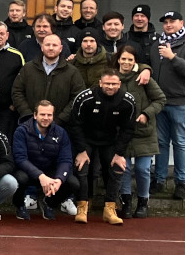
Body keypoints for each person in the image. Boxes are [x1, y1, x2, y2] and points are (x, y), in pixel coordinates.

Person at [65, 69, 135, 225]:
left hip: (110, 141)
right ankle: (82, 206)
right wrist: (82, 150)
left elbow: (128, 129)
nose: (110, 87)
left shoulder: (127, 100)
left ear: (119, 84)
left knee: (118, 167)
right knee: (82, 167)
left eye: (114, 84)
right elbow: (74, 125)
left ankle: (110, 209)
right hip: (86, 139)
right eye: (107, 83)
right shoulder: (85, 98)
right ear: (100, 83)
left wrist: (119, 153)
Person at [151, 10, 185, 200]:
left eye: (172, 21)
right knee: (161, 143)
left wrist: (172, 57)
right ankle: (159, 179)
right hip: (159, 102)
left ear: (182, 22)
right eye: (165, 22)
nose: (168, 25)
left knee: (179, 142)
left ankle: (181, 182)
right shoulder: (157, 43)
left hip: (180, 102)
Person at [115, 45, 166, 219]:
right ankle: (126, 202)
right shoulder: (113, 78)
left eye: (130, 59)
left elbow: (160, 99)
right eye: (123, 59)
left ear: (135, 61)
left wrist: (146, 113)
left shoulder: (143, 78)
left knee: (143, 169)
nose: (126, 62)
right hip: (121, 133)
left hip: (143, 131)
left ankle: (143, 202)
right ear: (118, 59)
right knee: (124, 168)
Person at [12, 100, 81, 220]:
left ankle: (49, 203)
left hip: (50, 171)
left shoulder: (61, 133)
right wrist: (40, 176)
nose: (46, 118)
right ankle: (19, 206)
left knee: (73, 183)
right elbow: (20, 159)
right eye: (42, 114)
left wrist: (59, 179)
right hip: (28, 171)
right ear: (35, 115)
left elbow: (66, 160)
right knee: (19, 179)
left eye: (49, 115)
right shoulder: (21, 131)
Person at [11, 34, 85, 123]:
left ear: (61, 48)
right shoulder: (28, 68)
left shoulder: (72, 72)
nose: (50, 48)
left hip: (61, 125)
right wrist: (28, 115)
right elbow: (17, 91)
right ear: (42, 47)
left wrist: (61, 119)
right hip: (30, 123)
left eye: (54, 45)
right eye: (47, 45)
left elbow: (77, 97)